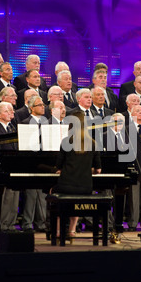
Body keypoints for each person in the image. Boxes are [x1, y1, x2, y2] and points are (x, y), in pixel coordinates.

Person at [52, 111, 102, 240]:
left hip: (66, 185)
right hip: (85, 187)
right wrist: (86, 170)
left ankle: (58, 230)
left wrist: (63, 170)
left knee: (54, 192)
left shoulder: (66, 142)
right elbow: (98, 170)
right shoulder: (93, 143)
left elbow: (58, 166)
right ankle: (72, 230)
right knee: (76, 197)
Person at [20, 95, 49, 233]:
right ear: (32, 108)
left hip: (45, 163)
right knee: (30, 196)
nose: (43, 107)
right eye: (40, 105)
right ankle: (27, 223)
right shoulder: (26, 122)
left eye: (43, 104)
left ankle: (41, 223)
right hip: (31, 163)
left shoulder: (47, 123)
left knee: (42, 196)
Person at [0, 102, 19, 232]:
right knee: (6, 198)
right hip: (4, 168)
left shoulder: (12, 127)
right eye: (7, 111)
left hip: (14, 167)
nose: (10, 113)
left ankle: (11, 223)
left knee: (14, 198)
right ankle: (3, 224)